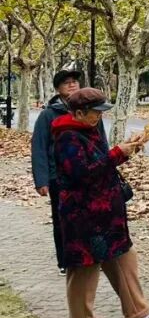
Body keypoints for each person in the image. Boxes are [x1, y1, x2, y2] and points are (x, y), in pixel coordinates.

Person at [52, 88, 149, 318]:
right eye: (95, 112)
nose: (99, 116)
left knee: (124, 257)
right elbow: (82, 174)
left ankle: (137, 312)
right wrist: (117, 153)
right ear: (79, 113)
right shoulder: (67, 137)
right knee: (84, 268)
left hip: (107, 212)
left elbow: (102, 164)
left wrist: (126, 151)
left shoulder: (89, 130)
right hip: (83, 215)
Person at [31, 69, 106, 274]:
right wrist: (42, 180)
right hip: (60, 177)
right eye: (67, 83)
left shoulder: (92, 112)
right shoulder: (48, 115)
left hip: (89, 173)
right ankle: (65, 260)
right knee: (63, 220)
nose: (72, 85)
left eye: (75, 82)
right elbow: (39, 147)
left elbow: (101, 142)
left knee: (92, 216)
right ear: (58, 89)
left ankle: (93, 255)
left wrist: (107, 167)